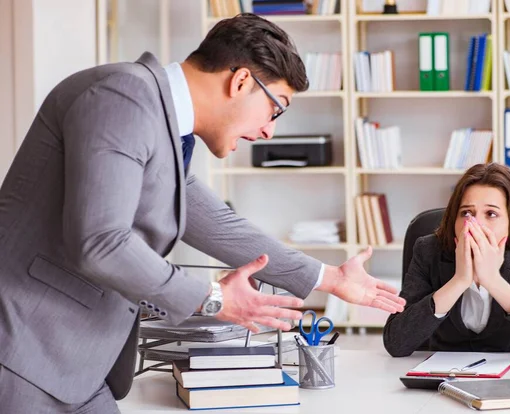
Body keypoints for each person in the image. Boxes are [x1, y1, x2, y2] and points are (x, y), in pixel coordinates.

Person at [0, 13, 405, 413]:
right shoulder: (123, 96)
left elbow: (217, 224)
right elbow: (102, 242)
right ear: (242, 80)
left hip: (72, 361)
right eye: (275, 109)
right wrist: (211, 298)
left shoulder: (160, 122)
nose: (270, 131)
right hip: (25, 351)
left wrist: (329, 278)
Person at [383, 163, 510, 361]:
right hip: (443, 374)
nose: (475, 225)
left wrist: (493, 280)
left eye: (491, 214)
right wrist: (459, 280)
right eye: (466, 213)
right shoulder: (429, 252)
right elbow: (396, 343)